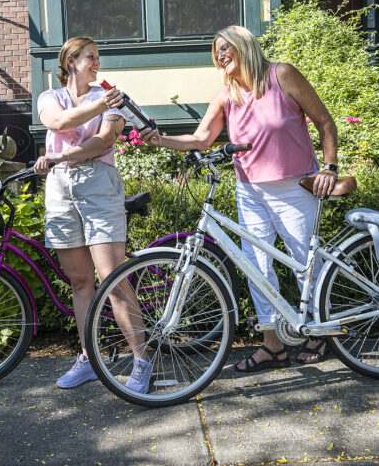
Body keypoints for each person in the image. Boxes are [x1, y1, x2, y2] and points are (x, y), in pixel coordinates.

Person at [140, 25, 339, 371]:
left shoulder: (282, 75)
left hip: (294, 186)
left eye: (224, 47)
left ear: (244, 46)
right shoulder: (226, 94)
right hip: (249, 189)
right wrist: (160, 140)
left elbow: (325, 122)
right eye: (216, 51)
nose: (220, 55)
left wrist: (330, 167)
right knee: (256, 268)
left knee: (304, 262)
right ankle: (273, 346)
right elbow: (202, 139)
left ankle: (321, 333)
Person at [33, 37, 152, 391]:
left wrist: (57, 157)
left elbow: (103, 141)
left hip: (98, 183)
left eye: (98, 58)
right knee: (81, 282)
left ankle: (142, 360)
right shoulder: (49, 98)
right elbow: (59, 122)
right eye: (90, 57)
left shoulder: (110, 98)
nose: (97, 63)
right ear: (71, 61)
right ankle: (89, 359)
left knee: (112, 277)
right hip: (59, 189)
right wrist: (100, 100)